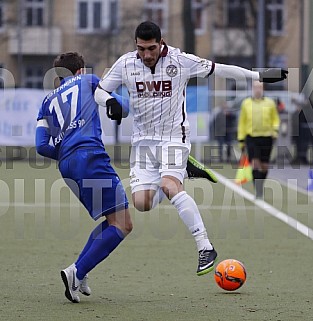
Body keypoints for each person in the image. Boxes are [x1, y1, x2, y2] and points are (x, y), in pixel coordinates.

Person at [94, 21, 287, 275]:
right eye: (141, 49)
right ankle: (185, 170)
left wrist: (257, 76)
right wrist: (109, 101)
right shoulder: (126, 63)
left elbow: (221, 70)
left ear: (161, 43)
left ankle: (205, 246)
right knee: (141, 203)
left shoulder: (180, 61)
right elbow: (99, 90)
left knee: (169, 186)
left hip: (175, 138)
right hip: (142, 143)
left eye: (151, 48)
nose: (147, 55)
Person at [35, 52, 133, 303]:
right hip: (90, 156)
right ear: (79, 71)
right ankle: (77, 272)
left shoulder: (46, 101)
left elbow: (41, 145)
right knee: (123, 224)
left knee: (112, 218)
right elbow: (120, 104)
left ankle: (82, 269)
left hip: (67, 165)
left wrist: (67, 151)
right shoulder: (88, 80)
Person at [237, 81, 281, 199]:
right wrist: (241, 139)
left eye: (260, 87)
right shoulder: (246, 103)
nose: (258, 89)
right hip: (252, 137)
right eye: (256, 87)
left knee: (264, 166)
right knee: (255, 163)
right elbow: (242, 122)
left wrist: (275, 131)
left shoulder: (270, 103)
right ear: (252, 88)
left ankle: (260, 184)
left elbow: (275, 119)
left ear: (263, 89)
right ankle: (259, 191)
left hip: (266, 137)